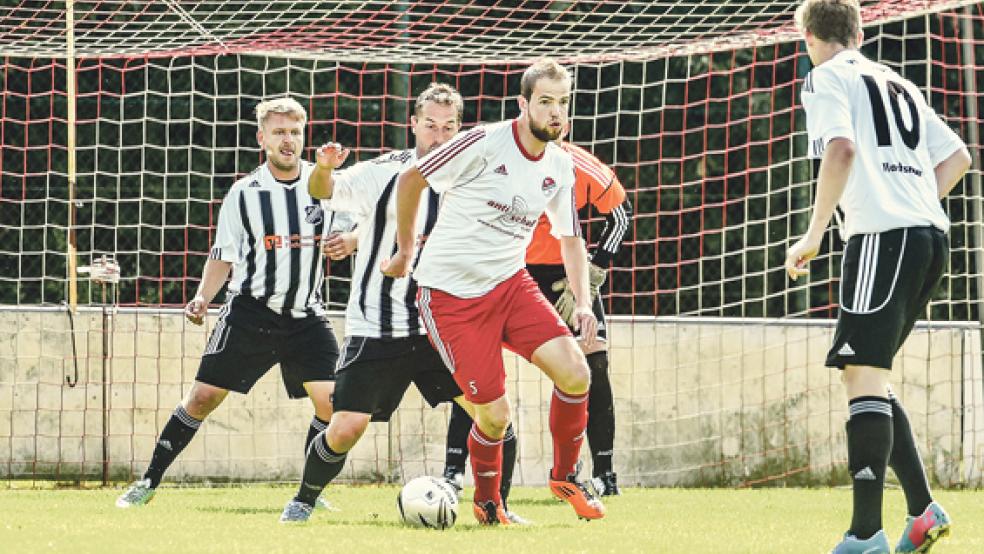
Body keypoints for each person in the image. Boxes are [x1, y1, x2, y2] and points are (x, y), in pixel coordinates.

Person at [277, 83, 527, 524]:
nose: (440, 135)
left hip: (444, 327)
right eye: (430, 125)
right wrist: (322, 166)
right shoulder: (386, 171)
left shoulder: (477, 177)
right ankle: (303, 498)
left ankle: (495, 508)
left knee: (494, 417)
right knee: (345, 428)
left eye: (449, 126)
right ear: (413, 125)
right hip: (379, 325)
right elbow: (323, 189)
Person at [382, 58, 605, 525]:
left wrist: (583, 303)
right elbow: (411, 179)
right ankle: (488, 504)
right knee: (494, 417)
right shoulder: (484, 140)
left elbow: (570, 237)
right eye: (545, 102)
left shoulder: (562, 166)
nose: (556, 113)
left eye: (563, 103)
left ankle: (566, 476)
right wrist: (404, 253)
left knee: (576, 374)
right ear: (523, 104)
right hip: (450, 297)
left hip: (510, 285)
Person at [785, 1, 971, 552]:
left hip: (883, 239)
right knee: (870, 376)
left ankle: (865, 536)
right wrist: (911, 201)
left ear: (808, 35)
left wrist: (815, 232)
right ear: (860, 30)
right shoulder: (895, 81)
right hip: (931, 239)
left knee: (860, 375)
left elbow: (840, 149)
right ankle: (922, 511)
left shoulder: (823, 79)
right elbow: (957, 156)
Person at [116, 97, 340, 508]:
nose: (288, 141)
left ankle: (310, 491)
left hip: (307, 315)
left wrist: (347, 243)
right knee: (201, 398)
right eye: (279, 133)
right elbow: (224, 254)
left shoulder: (324, 184)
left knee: (334, 404)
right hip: (251, 311)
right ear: (262, 139)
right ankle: (147, 481)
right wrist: (203, 297)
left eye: (294, 132)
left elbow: (351, 230)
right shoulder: (245, 193)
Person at [442, 137, 632, 498]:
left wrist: (594, 274)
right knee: (475, 370)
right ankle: (453, 470)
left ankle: (604, 475)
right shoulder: (497, 159)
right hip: (506, 273)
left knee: (594, 363)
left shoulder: (579, 164)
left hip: (564, 279)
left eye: (559, 107)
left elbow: (621, 214)